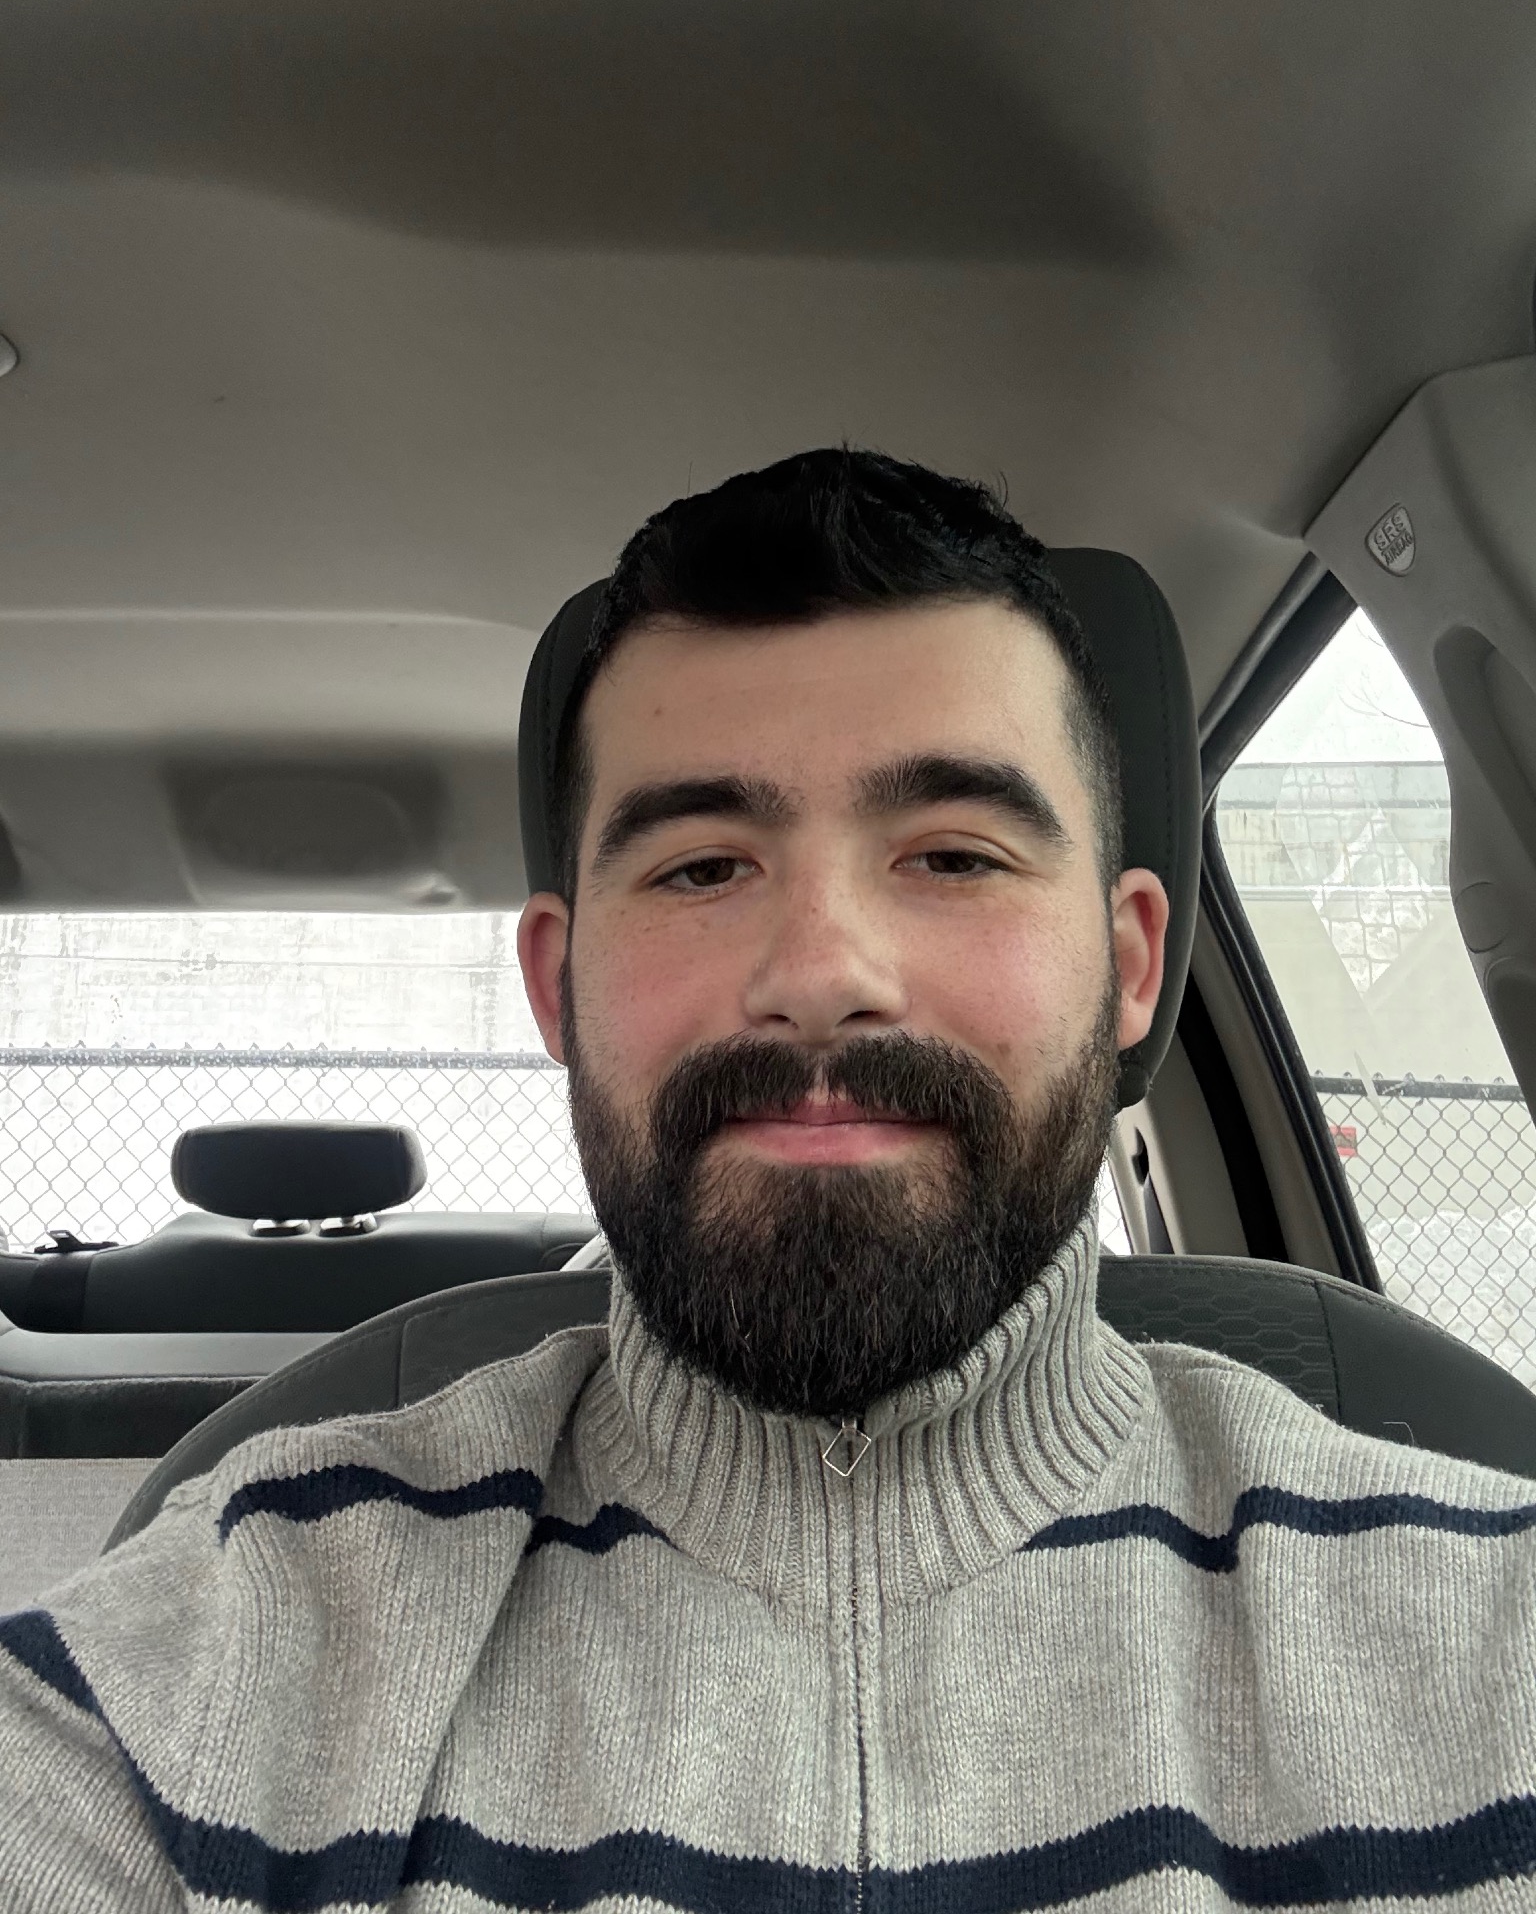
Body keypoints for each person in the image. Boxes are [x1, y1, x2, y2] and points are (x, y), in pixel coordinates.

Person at [1, 449, 1533, 1912]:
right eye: (701, 866)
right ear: (557, 986)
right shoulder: (205, 1662)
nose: (820, 973)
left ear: (1131, 964)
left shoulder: (1486, 1636)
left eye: (954, 856)